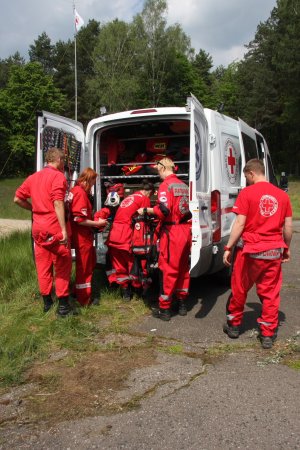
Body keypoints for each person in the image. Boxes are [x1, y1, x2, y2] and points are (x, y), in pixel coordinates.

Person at [223, 159, 293, 349]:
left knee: (240, 288)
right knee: (270, 293)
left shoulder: (247, 193)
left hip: (249, 251)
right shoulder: (282, 196)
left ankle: (235, 326)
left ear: (252, 173)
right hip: (272, 251)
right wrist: (286, 248)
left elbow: (240, 224)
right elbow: (288, 227)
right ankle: (268, 334)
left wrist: (228, 247)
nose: (246, 180)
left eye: (246, 177)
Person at [14, 147, 74, 316]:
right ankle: (63, 306)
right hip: (53, 225)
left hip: (38, 227)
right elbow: (58, 203)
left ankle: (47, 303)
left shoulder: (33, 177)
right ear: (59, 160)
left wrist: (33, 209)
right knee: (62, 264)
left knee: (43, 264)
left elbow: (17, 198)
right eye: (63, 161)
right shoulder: (58, 177)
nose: (64, 164)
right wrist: (63, 230)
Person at [138, 157, 192, 321]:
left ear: (162, 168)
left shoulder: (165, 185)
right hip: (186, 230)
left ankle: (165, 308)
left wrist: (147, 210)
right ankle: (182, 304)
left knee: (168, 269)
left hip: (172, 232)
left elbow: (164, 210)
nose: (157, 174)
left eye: (157, 170)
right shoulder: (183, 185)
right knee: (183, 268)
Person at [107, 180, 154, 301]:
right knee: (133, 263)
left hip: (114, 234)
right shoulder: (144, 198)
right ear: (149, 192)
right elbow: (145, 220)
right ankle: (138, 290)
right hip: (126, 234)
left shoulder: (130, 197)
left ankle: (125, 292)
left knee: (119, 264)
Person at [68, 168, 107, 306]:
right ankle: (84, 299)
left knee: (89, 263)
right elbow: (79, 219)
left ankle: (75, 292)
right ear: (87, 180)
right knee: (84, 267)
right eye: (92, 182)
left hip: (83, 235)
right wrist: (98, 223)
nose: (92, 185)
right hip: (82, 236)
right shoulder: (80, 193)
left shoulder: (76, 191)